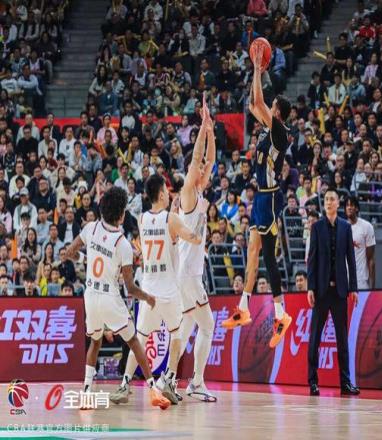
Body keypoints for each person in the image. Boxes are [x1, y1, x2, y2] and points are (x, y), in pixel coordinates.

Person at [65, 186, 171, 410]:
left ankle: (86, 391)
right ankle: (153, 389)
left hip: (90, 295)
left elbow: (70, 252)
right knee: (133, 341)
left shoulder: (90, 228)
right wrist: (148, 298)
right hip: (109, 297)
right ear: (122, 215)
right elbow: (130, 288)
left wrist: (85, 258)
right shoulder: (123, 244)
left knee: (95, 341)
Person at [110, 174, 205, 405]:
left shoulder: (142, 219)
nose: (170, 194)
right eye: (167, 191)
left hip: (149, 289)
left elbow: (162, 227)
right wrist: (201, 216)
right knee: (177, 334)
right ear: (162, 194)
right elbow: (194, 238)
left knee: (140, 339)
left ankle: (124, 384)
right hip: (169, 289)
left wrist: (173, 214)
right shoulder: (172, 219)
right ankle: (169, 380)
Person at [222, 44, 293, 349]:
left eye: (272, 106)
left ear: (277, 113)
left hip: (271, 197)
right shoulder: (267, 126)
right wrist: (256, 72)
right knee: (253, 252)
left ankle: (281, 313)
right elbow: (254, 103)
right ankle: (244, 308)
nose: (268, 107)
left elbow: (260, 101)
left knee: (267, 257)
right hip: (261, 199)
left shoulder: (279, 132)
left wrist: (256, 67)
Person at [177, 96, 217, 402]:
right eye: (198, 169)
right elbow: (197, 160)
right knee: (208, 325)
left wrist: (211, 130)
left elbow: (210, 160)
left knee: (187, 326)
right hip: (188, 274)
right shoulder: (188, 193)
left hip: (187, 273)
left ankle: (165, 377)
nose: (203, 169)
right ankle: (197, 382)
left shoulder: (198, 192)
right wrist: (202, 129)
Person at [307, 188, 359, 396]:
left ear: (338, 203)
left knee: (342, 339)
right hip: (320, 291)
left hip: (340, 291)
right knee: (315, 338)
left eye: (332, 199)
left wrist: (353, 288)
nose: (328, 202)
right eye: (326, 199)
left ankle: (345, 382)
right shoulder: (316, 227)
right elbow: (312, 260)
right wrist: (310, 287)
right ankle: (313, 381)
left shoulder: (346, 227)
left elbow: (351, 260)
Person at [344, 195, 375, 289]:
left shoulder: (367, 227)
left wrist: (372, 287)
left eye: (352, 205)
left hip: (361, 280)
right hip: (343, 280)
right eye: (347, 205)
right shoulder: (340, 228)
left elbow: (371, 259)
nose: (349, 207)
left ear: (357, 208)